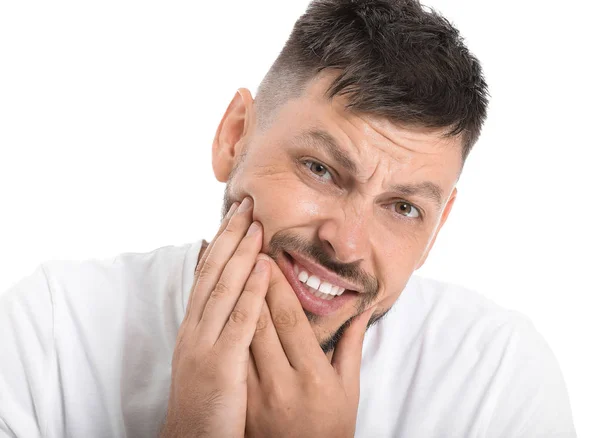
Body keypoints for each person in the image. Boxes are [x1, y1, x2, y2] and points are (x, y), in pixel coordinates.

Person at [0, 0, 576, 436]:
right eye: (320, 169)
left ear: (437, 229)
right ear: (234, 138)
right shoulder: (47, 335)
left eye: (403, 208)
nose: (347, 244)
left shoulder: (498, 378)